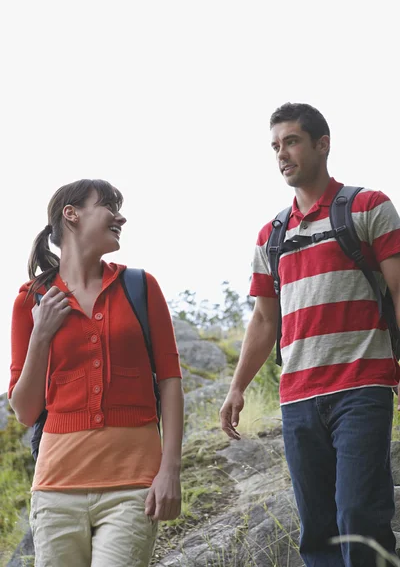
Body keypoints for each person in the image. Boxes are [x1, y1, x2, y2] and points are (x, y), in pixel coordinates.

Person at [220, 103, 400, 567]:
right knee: (317, 529)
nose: (283, 154)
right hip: (298, 397)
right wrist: (237, 386)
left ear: (323, 144)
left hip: (362, 386)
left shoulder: (368, 207)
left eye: (293, 141)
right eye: (276, 146)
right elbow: (264, 320)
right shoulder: (271, 236)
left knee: (359, 516)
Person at [8, 178, 184, 567]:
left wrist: (170, 469)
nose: (120, 216)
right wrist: (41, 336)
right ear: (71, 215)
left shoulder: (140, 286)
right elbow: (24, 410)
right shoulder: (31, 299)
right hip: (56, 490)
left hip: (132, 487)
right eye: (108, 205)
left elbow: (170, 382)